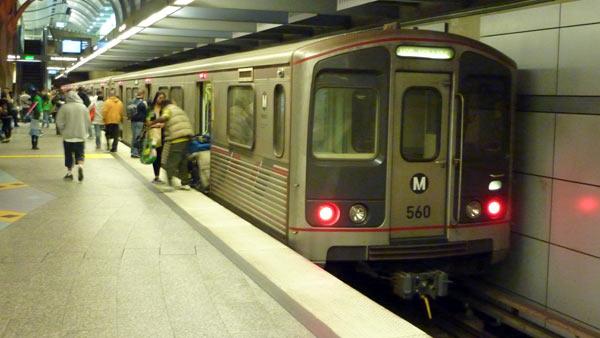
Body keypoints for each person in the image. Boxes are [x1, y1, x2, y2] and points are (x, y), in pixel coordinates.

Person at [149, 100, 194, 190]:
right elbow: (168, 123)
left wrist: (152, 122)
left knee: (171, 162)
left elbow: (164, 118)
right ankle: (185, 183)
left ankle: (169, 185)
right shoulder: (178, 109)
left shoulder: (167, 109)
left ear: (163, 106)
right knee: (183, 162)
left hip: (177, 139)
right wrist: (156, 126)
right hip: (186, 138)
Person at [56, 91, 91, 181]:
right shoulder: (83, 107)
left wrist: (62, 131)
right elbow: (88, 121)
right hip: (80, 135)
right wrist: (86, 132)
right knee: (80, 154)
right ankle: (80, 166)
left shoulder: (64, 107)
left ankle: (69, 173)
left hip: (68, 137)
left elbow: (59, 122)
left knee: (68, 155)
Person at [147, 91, 166, 183]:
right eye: (160, 98)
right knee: (155, 156)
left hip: (162, 136)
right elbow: (148, 123)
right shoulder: (151, 110)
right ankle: (156, 176)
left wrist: (164, 124)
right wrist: (158, 125)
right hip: (153, 135)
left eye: (163, 98)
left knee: (159, 155)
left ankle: (157, 175)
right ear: (156, 98)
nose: (161, 100)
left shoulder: (164, 110)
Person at [130, 89, 148, 158]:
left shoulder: (132, 101)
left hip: (133, 121)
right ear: (142, 94)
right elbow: (146, 112)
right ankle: (135, 153)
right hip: (140, 122)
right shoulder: (143, 102)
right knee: (137, 137)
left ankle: (132, 151)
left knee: (134, 136)